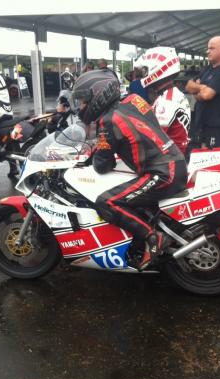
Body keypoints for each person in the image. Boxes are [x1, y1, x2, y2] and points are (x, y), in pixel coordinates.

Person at [71, 70, 187, 270]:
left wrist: (94, 152)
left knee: (107, 202)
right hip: (174, 161)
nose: (81, 106)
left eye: (83, 101)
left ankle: (153, 237)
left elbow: (102, 165)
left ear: (98, 95)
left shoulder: (107, 122)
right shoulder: (134, 100)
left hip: (164, 173)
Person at [135, 46, 191, 154]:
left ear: (156, 69)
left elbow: (153, 138)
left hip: (169, 160)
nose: (143, 74)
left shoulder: (168, 100)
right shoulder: (169, 94)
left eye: (145, 70)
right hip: (173, 154)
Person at [185, 36, 220, 148]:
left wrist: (198, 88)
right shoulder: (208, 69)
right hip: (202, 124)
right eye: (208, 48)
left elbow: (206, 95)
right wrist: (202, 87)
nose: (208, 51)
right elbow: (188, 86)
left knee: (212, 160)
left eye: (212, 48)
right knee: (200, 157)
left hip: (217, 126)